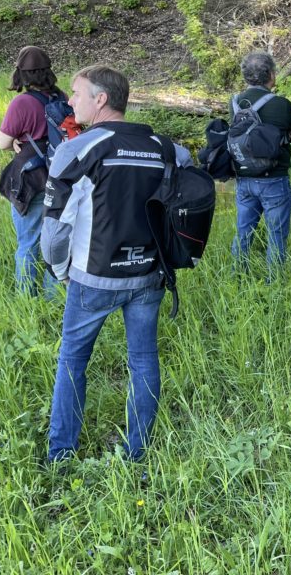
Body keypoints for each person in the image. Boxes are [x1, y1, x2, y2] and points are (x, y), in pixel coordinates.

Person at [41, 66, 191, 462]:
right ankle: (136, 452)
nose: (70, 101)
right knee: (143, 359)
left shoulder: (79, 148)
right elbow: (190, 170)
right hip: (149, 275)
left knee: (73, 358)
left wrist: (60, 272)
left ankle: (61, 455)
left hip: (92, 277)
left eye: (76, 93)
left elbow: (54, 230)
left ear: (101, 99)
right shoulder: (163, 146)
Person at [229, 51, 291, 275]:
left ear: (246, 77)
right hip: (274, 179)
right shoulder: (281, 104)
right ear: (271, 74)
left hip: (244, 177)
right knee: (276, 234)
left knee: (243, 232)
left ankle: (236, 275)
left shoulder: (235, 103)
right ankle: (275, 282)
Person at [0, 46, 63, 296]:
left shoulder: (22, 102)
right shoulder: (63, 97)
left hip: (32, 180)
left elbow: (3, 143)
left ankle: (26, 298)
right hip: (60, 178)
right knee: (55, 241)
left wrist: (16, 140)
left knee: (28, 242)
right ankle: (53, 297)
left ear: (21, 74)